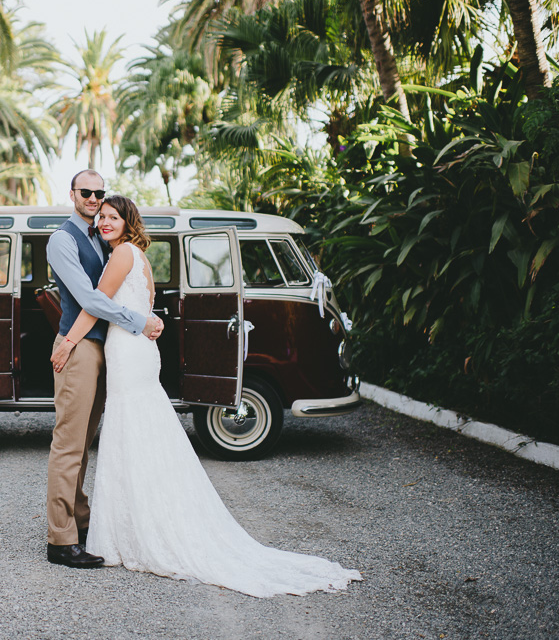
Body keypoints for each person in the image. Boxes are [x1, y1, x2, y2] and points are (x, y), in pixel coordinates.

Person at [50, 195, 362, 597]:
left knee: (129, 433)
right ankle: (141, 520)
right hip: (136, 351)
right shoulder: (135, 253)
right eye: (102, 217)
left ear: (128, 222)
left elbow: (95, 304)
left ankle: (133, 528)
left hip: (127, 351)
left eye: (113, 216)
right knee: (141, 434)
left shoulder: (120, 255)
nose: (105, 221)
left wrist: (66, 342)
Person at [44, 170, 164, 569]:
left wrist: (143, 317)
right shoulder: (63, 239)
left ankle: (80, 524)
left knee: (84, 445)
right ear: (73, 193)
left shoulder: (102, 238)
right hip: (79, 349)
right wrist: (140, 320)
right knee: (69, 445)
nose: (94, 198)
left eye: (100, 193)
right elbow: (89, 299)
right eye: (87, 192)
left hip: (103, 350)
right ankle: (61, 541)